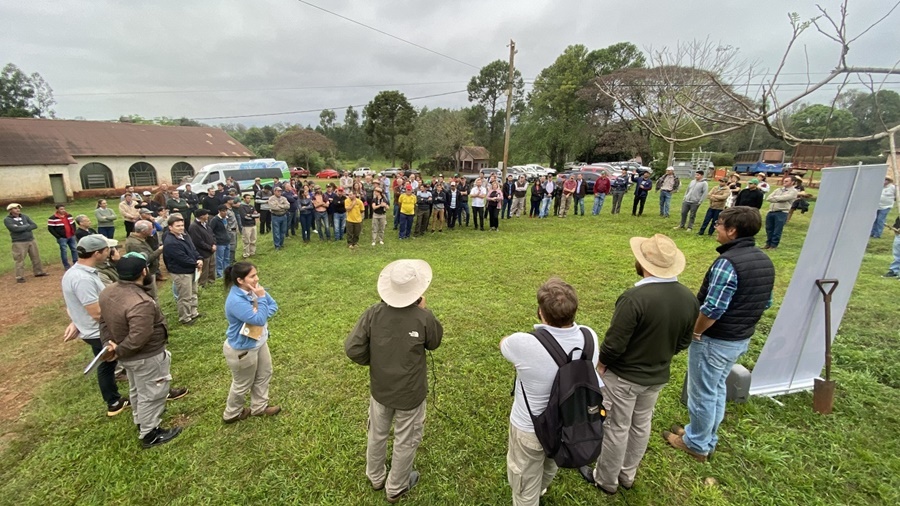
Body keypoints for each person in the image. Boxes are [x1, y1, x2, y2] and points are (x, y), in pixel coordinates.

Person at [578, 235, 698, 495]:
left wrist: (601, 366)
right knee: (641, 424)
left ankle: (606, 479)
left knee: (615, 427)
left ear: (643, 263)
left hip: (624, 377)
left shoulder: (635, 298)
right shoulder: (689, 298)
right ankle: (627, 474)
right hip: (657, 376)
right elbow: (684, 342)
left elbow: (614, 344)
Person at [664, 206, 775, 462]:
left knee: (702, 391)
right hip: (739, 338)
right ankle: (703, 435)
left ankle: (696, 444)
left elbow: (713, 308)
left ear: (732, 230)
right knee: (715, 389)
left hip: (715, 340)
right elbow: (765, 302)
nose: (716, 227)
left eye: (720, 224)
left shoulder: (729, 262)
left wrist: (696, 332)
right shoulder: (763, 259)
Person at [345, 259, 443, 504]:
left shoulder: (373, 313)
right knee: (406, 438)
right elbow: (434, 342)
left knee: (377, 433)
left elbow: (353, 348)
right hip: (410, 393)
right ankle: (396, 487)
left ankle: (376, 476)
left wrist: (377, 362)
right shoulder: (423, 317)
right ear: (418, 291)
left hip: (380, 388)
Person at [501, 277, 599, 506]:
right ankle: (542, 488)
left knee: (524, 481)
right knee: (552, 461)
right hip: (568, 424)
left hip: (530, 427)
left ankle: (530, 497)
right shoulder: (589, 337)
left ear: (540, 313)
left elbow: (503, 343)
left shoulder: (523, 343)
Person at [99, 253, 187, 449]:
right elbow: (139, 336)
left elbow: (103, 321)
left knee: (138, 389)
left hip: (128, 356)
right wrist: (119, 350)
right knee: (153, 392)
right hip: (146, 356)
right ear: (144, 271)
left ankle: (141, 421)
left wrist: (110, 346)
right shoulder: (140, 301)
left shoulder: (108, 292)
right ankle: (150, 433)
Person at [61, 234, 128, 417]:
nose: (110, 252)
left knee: (107, 364)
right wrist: (120, 328)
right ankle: (114, 402)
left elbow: (74, 305)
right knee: (110, 364)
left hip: (92, 328)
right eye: (107, 250)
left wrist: (75, 321)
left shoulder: (77, 273)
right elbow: (96, 312)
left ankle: (114, 400)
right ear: (97, 253)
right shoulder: (83, 279)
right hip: (99, 331)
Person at [222, 262, 281, 423]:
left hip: (259, 341)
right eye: (253, 276)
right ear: (240, 280)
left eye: (256, 274)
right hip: (243, 349)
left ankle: (259, 407)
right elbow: (259, 319)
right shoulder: (235, 300)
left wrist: (259, 312)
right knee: (242, 383)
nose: (257, 279)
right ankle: (232, 413)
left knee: (264, 373)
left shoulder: (255, 289)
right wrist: (260, 303)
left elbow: (273, 306)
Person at [163, 215, 202, 325]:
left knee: (194, 292)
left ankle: (194, 313)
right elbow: (181, 258)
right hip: (181, 272)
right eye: (177, 226)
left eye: (182, 225)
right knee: (185, 296)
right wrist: (196, 263)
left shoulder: (184, 236)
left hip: (192, 269)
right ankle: (185, 318)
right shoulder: (171, 242)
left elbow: (193, 249)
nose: (181, 228)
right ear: (170, 227)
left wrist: (199, 258)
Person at [5, 203, 48, 283]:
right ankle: (19, 276)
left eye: (18, 208)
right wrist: (27, 226)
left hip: (31, 239)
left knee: (35, 257)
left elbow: (34, 225)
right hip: (19, 242)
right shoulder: (8, 219)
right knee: (19, 259)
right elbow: (14, 229)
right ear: (10, 210)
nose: (18, 210)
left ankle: (38, 272)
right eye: (15, 208)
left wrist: (22, 227)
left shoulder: (24, 216)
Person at [124, 220, 162, 301]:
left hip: (149, 271)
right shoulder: (135, 244)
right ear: (143, 231)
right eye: (151, 229)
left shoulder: (139, 239)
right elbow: (146, 259)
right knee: (152, 297)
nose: (153, 231)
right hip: (146, 273)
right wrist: (160, 250)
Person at [763, 176, 799, 250]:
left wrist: (776, 198)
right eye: (784, 181)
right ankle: (768, 243)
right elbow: (769, 198)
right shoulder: (778, 189)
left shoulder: (794, 191)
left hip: (782, 212)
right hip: (771, 211)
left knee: (777, 230)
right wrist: (779, 198)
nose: (784, 182)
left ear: (792, 182)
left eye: (786, 181)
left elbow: (786, 197)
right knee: (769, 228)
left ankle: (773, 245)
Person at [188, 209, 216, 286]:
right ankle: (202, 285)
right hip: (203, 252)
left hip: (211, 250)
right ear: (201, 216)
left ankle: (211, 282)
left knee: (211, 267)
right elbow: (198, 242)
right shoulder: (194, 227)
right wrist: (210, 248)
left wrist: (214, 244)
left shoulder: (205, 224)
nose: (208, 215)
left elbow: (212, 234)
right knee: (204, 270)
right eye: (206, 214)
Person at [48, 204, 78, 270]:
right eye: (61, 209)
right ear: (57, 210)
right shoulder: (52, 218)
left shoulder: (69, 216)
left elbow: (73, 224)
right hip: (62, 237)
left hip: (71, 235)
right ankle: (66, 265)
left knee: (74, 249)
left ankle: (76, 263)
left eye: (64, 209)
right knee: (64, 251)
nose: (63, 210)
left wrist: (74, 232)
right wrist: (58, 236)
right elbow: (50, 229)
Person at [210, 205, 231, 278]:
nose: (225, 213)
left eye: (226, 211)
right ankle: (220, 274)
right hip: (219, 242)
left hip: (227, 241)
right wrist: (214, 241)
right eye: (223, 211)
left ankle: (227, 272)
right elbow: (211, 231)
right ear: (219, 211)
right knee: (219, 259)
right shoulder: (215, 220)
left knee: (227, 258)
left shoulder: (226, 219)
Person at [268, 186, 290, 250]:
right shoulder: (271, 199)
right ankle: (277, 245)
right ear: (274, 192)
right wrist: (283, 206)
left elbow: (288, 206)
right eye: (278, 191)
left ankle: (281, 243)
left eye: (280, 191)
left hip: (284, 216)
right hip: (275, 217)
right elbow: (274, 208)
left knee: (283, 231)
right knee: (276, 232)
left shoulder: (284, 198)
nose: (279, 192)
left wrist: (279, 205)